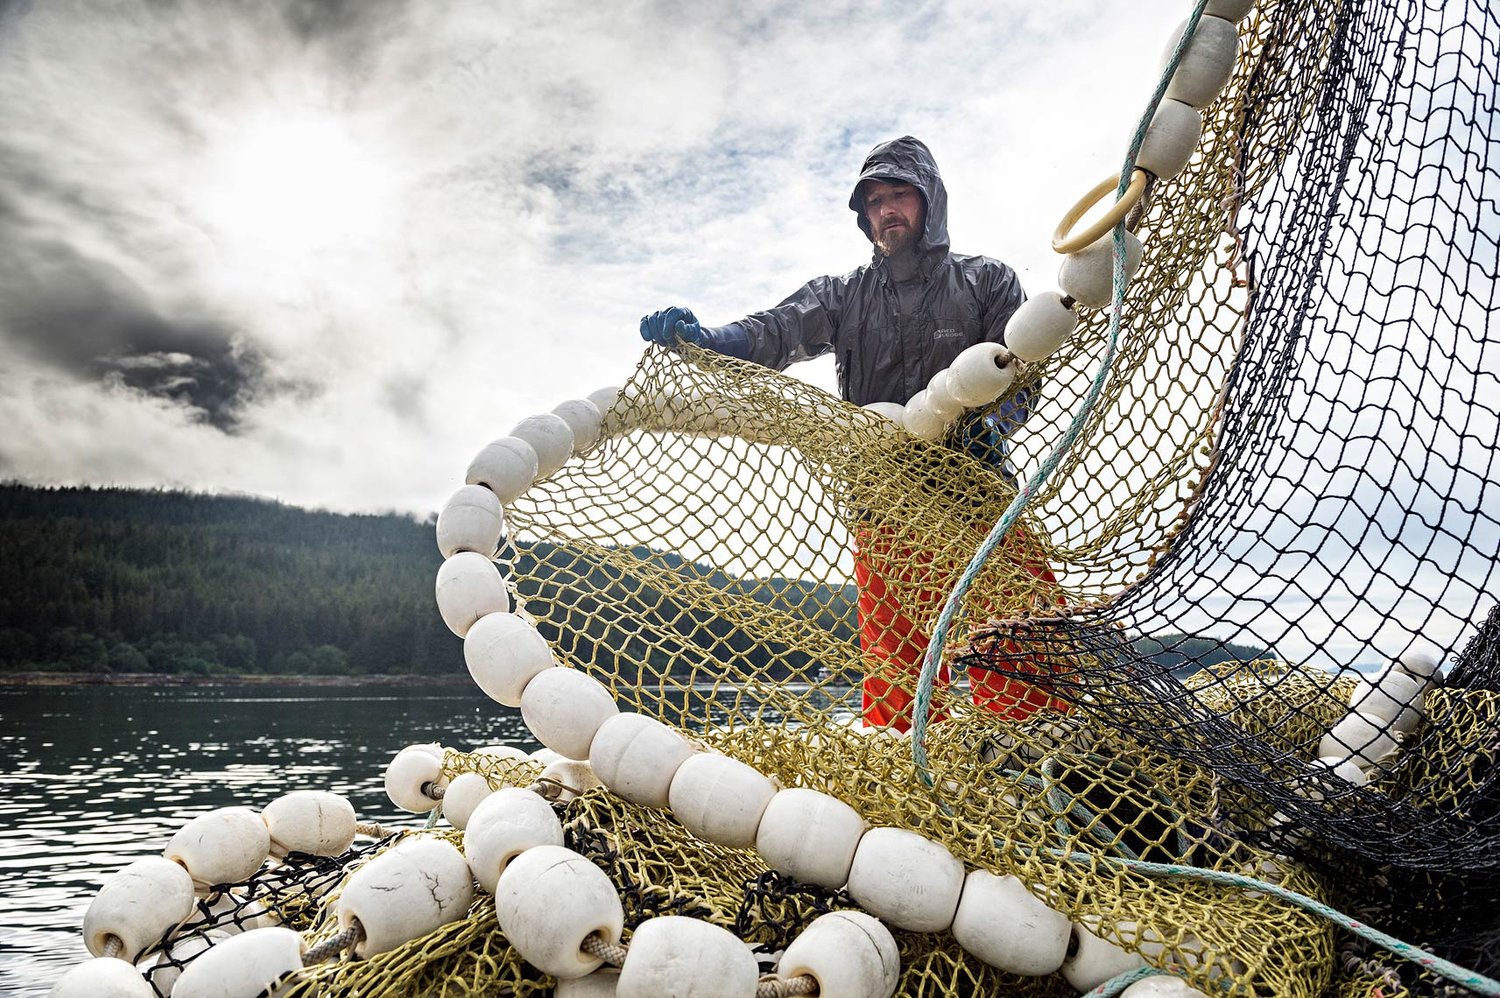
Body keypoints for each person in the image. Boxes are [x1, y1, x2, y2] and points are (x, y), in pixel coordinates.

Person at [639, 135, 1063, 731]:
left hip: (977, 496)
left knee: (1023, 639)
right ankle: (912, 763)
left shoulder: (988, 280)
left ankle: (1041, 751)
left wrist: (994, 424)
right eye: (874, 201)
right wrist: (706, 339)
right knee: (897, 669)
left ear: (930, 200)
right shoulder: (841, 296)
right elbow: (774, 332)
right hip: (882, 503)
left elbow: (1020, 375)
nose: (886, 210)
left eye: (899, 195)